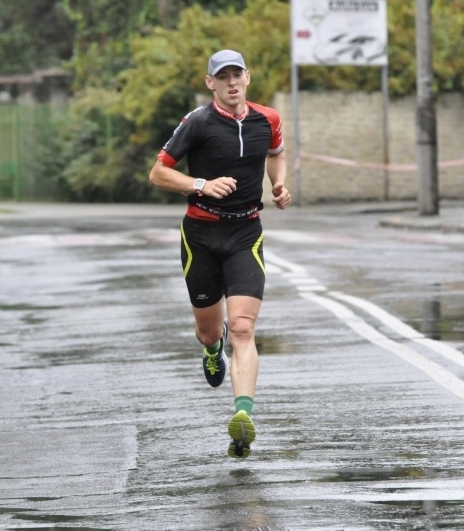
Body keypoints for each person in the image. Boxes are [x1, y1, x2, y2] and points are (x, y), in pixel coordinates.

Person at [149, 49, 291, 458]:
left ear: (248, 77)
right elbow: (158, 173)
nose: (231, 82)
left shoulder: (270, 119)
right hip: (201, 236)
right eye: (222, 76)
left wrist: (278, 185)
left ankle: (243, 416)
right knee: (210, 331)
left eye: (237, 74)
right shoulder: (197, 122)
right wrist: (200, 185)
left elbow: (276, 154)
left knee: (243, 327)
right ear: (211, 83)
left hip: (246, 232)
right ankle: (213, 350)